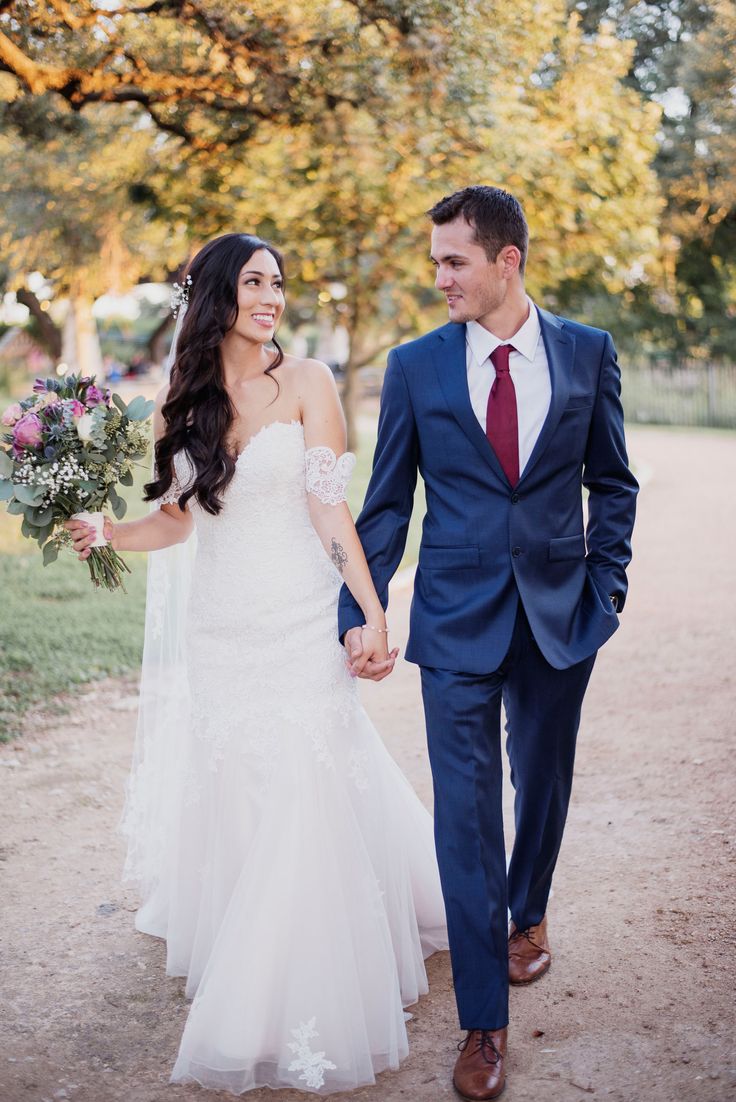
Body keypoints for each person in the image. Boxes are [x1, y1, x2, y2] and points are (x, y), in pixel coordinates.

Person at [66, 233, 447, 1095]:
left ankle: (286, 982)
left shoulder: (309, 382)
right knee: (242, 780)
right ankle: (249, 929)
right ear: (213, 298)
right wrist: (113, 532)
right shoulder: (185, 399)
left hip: (300, 617)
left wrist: (375, 612)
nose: (271, 296)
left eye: (278, 281)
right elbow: (178, 520)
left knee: (304, 783)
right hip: (222, 628)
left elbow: (330, 513)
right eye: (253, 282)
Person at [339, 186, 639, 1101]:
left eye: (454, 261)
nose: (440, 279)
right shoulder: (417, 366)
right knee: (463, 821)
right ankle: (483, 1024)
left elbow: (613, 482)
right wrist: (361, 608)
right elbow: (387, 502)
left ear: (508, 260)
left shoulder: (588, 352)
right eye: (436, 262)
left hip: (561, 616)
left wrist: (607, 589)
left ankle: (529, 916)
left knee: (541, 782)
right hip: (457, 622)